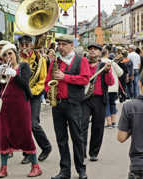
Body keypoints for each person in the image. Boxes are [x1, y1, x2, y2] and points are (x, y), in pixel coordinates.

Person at [0, 43, 42, 178]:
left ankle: (35, 166)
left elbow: (25, 84)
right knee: (3, 135)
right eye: (5, 55)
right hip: (5, 106)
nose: (8, 56)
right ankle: (3, 168)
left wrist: (14, 74)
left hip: (21, 105)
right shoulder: (2, 67)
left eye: (10, 53)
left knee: (25, 134)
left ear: (15, 54)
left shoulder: (24, 66)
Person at [45, 35, 90, 179]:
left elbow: (85, 79)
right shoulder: (55, 62)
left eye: (64, 45)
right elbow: (47, 81)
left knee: (77, 137)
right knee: (61, 139)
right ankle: (65, 170)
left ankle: (81, 169)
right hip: (57, 104)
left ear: (72, 45)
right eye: (59, 45)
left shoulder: (81, 60)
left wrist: (65, 77)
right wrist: (48, 91)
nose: (61, 47)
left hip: (74, 104)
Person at [19, 35, 52, 164]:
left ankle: (46, 147)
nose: (25, 47)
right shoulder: (18, 58)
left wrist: (32, 92)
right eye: (22, 45)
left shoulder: (40, 59)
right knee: (23, 126)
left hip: (34, 95)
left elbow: (42, 79)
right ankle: (27, 153)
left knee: (33, 124)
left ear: (32, 45)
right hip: (20, 96)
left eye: (27, 44)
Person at [82, 43, 114, 162]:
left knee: (98, 127)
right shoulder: (83, 64)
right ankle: (81, 150)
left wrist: (107, 72)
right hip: (85, 99)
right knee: (82, 125)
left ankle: (93, 152)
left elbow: (110, 82)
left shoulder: (104, 66)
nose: (92, 51)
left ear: (100, 53)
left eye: (95, 50)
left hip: (99, 99)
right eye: (90, 49)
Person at [117, 68, 143, 179]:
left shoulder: (129, 106)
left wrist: (133, 125)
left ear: (139, 83)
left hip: (139, 164)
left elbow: (121, 137)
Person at [101, 48, 123, 128]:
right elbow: (120, 72)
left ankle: (109, 123)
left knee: (106, 104)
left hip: (105, 87)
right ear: (107, 53)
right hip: (114, 87)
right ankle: (114, 122)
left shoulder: (99, 62)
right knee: (112, 104)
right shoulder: (111, 62)